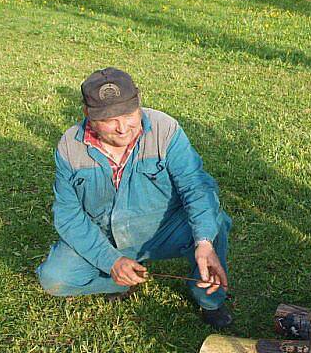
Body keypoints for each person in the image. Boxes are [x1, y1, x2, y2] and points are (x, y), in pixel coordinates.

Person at [36, 68, 233, 330]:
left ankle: (209, 301)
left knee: (212, 225)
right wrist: (110, 260)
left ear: (138, 103)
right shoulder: (69, 148)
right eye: (109, 120)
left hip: (165, 228)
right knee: (54, 278)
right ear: (88, 115)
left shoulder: (165, 129)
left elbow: (196, 187)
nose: (122, 128)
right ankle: (121, 277)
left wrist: (204, 241)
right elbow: (69, 216)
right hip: (106, 236)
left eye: (129, 115)